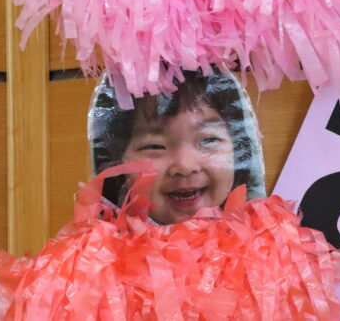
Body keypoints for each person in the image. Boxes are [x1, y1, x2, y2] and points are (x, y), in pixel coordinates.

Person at [89, 68, 265, 225]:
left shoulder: (267, 248)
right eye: (155, 146)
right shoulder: (95, 252)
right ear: (115, 165)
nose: (184, 166)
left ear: (240, 152)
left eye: (208, 140)